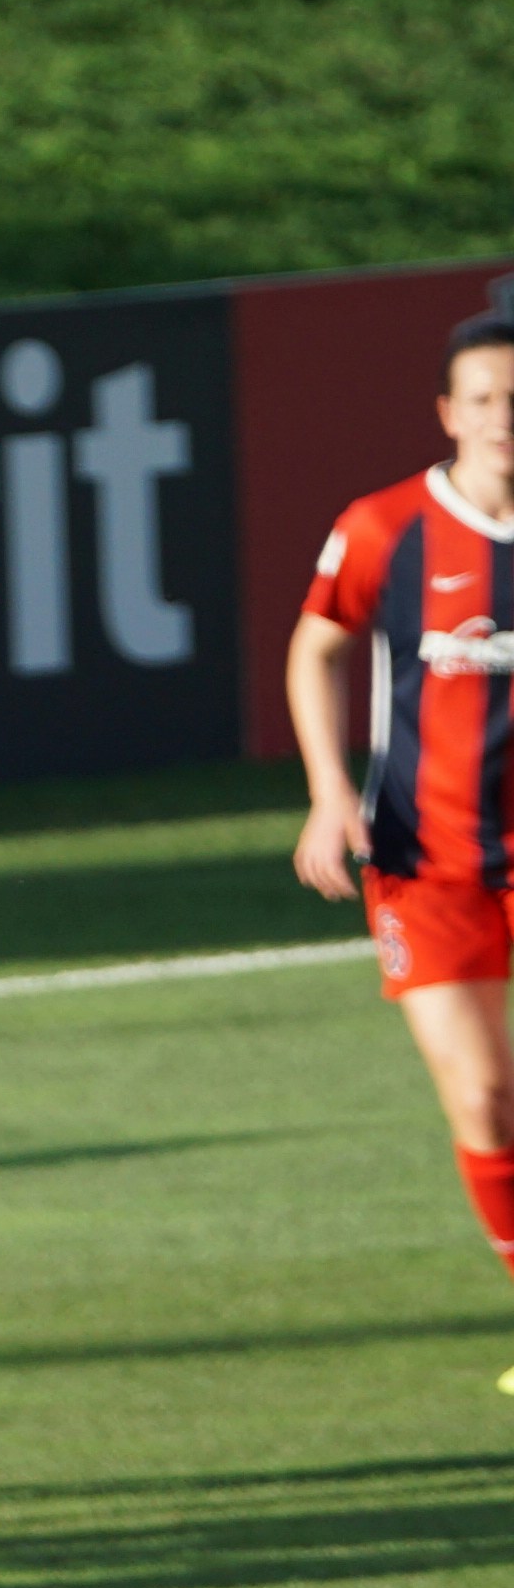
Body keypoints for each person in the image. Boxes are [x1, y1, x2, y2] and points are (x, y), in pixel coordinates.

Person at [282, 280, 514, 1375]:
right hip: (425, 861)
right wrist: (331, 790)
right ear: (448, 412)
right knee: (480, 1093)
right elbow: (316, 645)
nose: (505, 417)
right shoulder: (386, 527)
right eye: (486, 399)